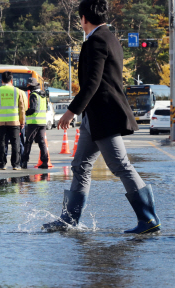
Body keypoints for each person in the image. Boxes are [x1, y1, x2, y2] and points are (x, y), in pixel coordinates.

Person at [43, 0, 160, 234]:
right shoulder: (111, 38)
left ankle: (148, 219)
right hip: (93, 118)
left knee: (120, 165)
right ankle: (69, 220)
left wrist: (70, 111)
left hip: (103, 116)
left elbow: (92, 83)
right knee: (80, 166)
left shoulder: (96, 41)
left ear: (83, 18)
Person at [0, 71, 26, 170]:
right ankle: (16, 165)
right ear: (12, 80)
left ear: (1, 80)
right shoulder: (17, 91)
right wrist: (22, 122)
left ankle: (1, 164)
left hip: (1, 123)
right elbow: (21, 108)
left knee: (1, 143)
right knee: (15, 143)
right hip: (14, 122)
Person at [21, 77, 49, 170]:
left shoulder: (34, 95)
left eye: (29, 85)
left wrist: (26, 112)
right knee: (42, 142)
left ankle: (24, 162)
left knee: (28, 142)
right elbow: (45, 108)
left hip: (34, 122)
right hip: (42, 122)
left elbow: (33, 109)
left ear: (32, 86)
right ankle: (45, 162)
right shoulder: (43, 94)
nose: (28, 87)